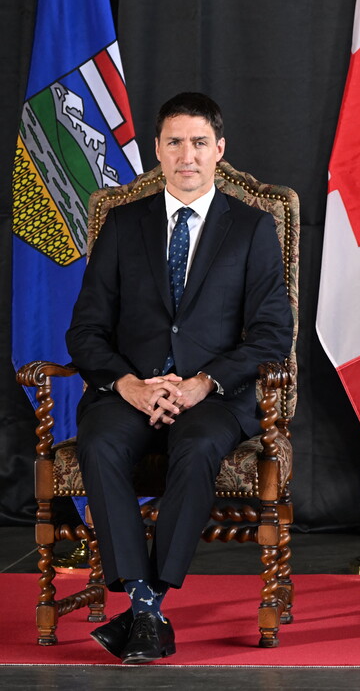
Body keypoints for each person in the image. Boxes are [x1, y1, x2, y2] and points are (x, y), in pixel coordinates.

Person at [66, 92, 293, 663]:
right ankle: (146, 607)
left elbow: (270, 335)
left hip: (217, 395)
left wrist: (201, 383)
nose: (186, 155)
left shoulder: (252, 227)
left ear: (219, 149)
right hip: (128, 390)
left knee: (196, 447)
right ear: (158, 152)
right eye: (174, 143)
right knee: (100, 441)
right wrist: (128, 385)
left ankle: (148, 602)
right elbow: (86, 332)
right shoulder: (122, 225)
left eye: (197, 142)